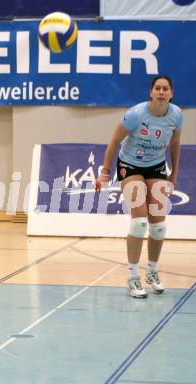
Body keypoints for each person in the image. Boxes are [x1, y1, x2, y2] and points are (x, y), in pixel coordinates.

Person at [95, 75, 183, 299]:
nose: (161, 92)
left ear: (171, 93)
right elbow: (114, 141)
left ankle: (152, 272)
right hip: (130, 165)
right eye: (157, 88)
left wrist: (174, 173)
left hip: (156, 167)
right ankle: (133, 277)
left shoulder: (176, 115)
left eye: (165, 89)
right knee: (140, 222)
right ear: (151, 93)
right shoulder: (136, 114)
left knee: (159, 225)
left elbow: (174, 143)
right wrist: (105, 172)